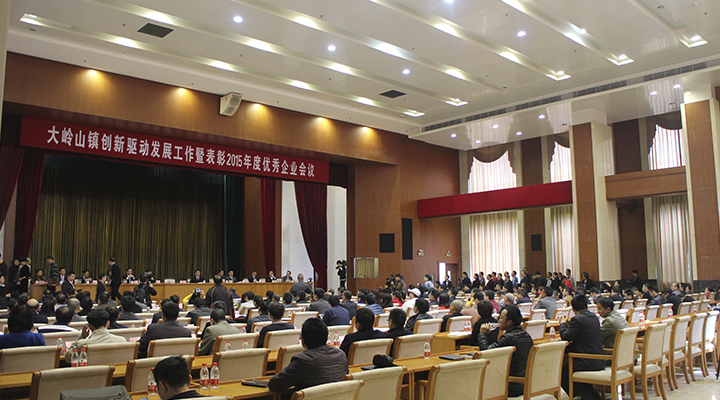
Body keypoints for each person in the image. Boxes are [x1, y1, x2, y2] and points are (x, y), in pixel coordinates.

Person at [269, 318, 348, 392]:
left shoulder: (302, 360)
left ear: (302, 341)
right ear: (327, 337)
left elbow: (274, 385)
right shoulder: (340, 354)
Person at [478, 305, 533, 397]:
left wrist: (482, 334)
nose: (499, 320)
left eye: (501, 318)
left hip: (510, 385)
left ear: (509, 322)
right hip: (525, 384)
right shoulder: (526, 335)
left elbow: (487, 353)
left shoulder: (508, 337)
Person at [558, 294, 605, 400]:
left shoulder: (577, 319)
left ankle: (587, 396)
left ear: (573, 309)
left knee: (562, 373)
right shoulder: (594, 317)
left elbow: (566, 336)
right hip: (599, 359)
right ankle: (590, 396)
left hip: (587, 361)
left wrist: (562, 324)